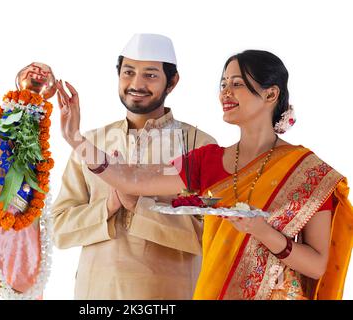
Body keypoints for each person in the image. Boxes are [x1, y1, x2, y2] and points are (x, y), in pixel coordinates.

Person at [57, 49, 353, 300]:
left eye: (236, 83)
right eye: (223, 83)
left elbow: (316, 266)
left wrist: (263, 233)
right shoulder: (208, 160)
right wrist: (76, 140)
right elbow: (132, 179)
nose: (225, 92)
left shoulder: (306, 169)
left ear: (271, 93)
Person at [52, 33, 216, 299]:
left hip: (169, 294)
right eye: (128, 72)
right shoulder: (92, 143)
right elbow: (59, 229)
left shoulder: (199, 145)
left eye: (150, 75)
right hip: (97, 294)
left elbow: (210, 235)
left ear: (172, 82)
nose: (136, 84)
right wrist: (109, 206)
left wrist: (139, 204)